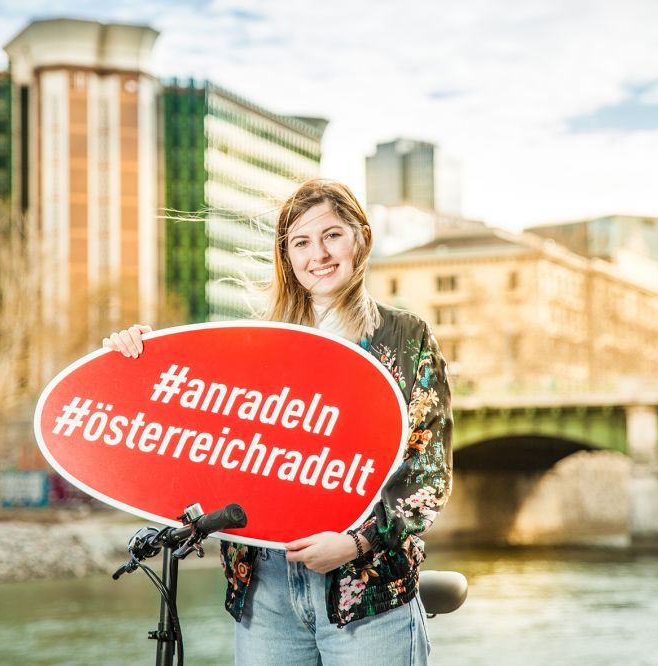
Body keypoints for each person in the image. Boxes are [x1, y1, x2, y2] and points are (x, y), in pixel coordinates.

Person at [104, 178, 452, 665]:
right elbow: (194, 421)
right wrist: (138, 359)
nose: (319, 255)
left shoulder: (405, 336)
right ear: (287, 256)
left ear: (361, 239)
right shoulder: (254, 345)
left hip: (366, 589)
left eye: (332, 235)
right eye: (301, 243)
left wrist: (356, 542)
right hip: (266, 590)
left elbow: (427, 476)